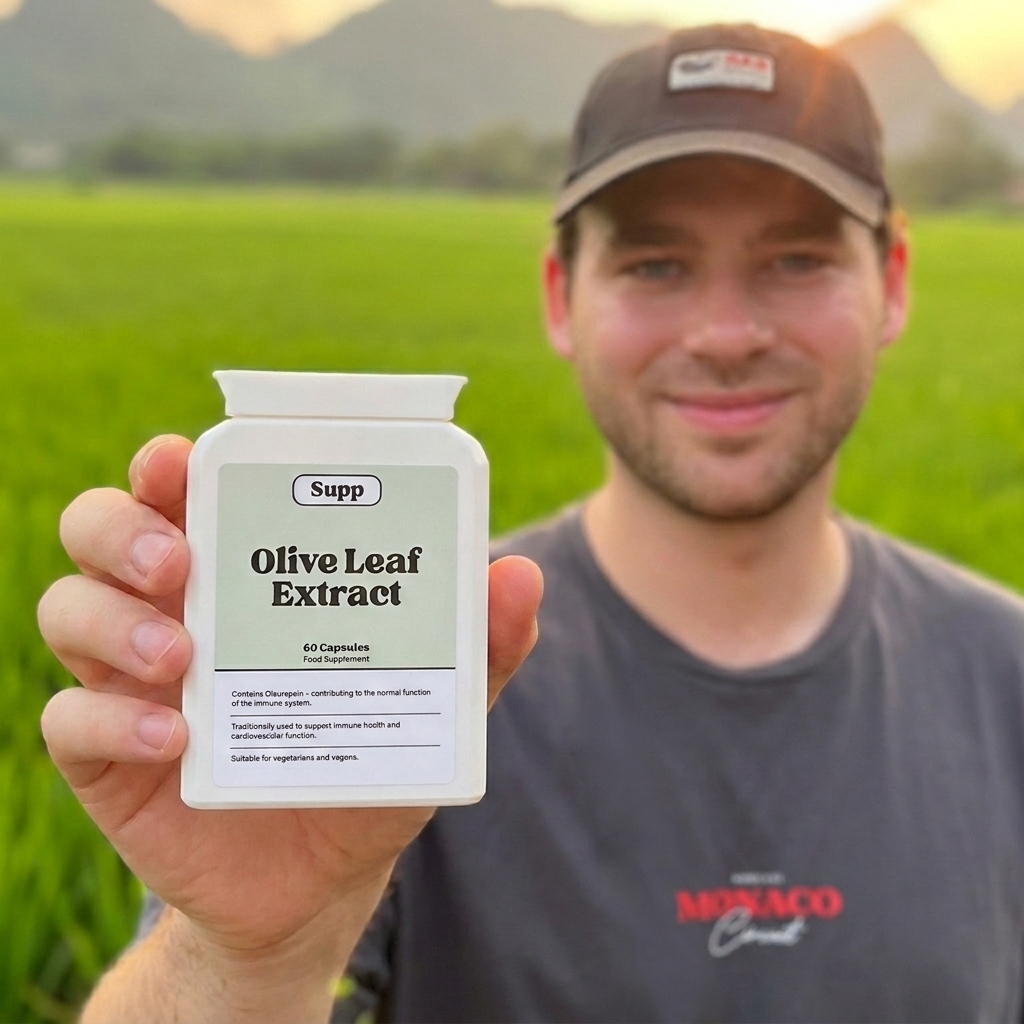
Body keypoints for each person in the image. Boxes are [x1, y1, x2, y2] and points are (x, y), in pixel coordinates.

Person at [37, 22, 1024, 1024]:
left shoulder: (1008, 674)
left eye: (797, 259)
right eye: (654, 265)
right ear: (561, 295)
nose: (726, 334)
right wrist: (246, 957)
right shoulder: (399, 667)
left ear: (891, 282)